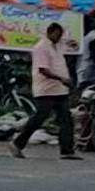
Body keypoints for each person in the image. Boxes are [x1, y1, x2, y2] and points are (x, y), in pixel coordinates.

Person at [11, 21, 79, 159]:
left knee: (66, 119)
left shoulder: (57, 46)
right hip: (46, 90)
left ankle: (67, 150)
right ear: (49, 33)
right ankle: (18, 143)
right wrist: (61, 78)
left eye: (60, 35)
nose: (59, 38)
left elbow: (68, 45)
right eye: (57, 35)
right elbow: (43, 69)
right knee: (40, 117)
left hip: (60, 90)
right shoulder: (41, 47)